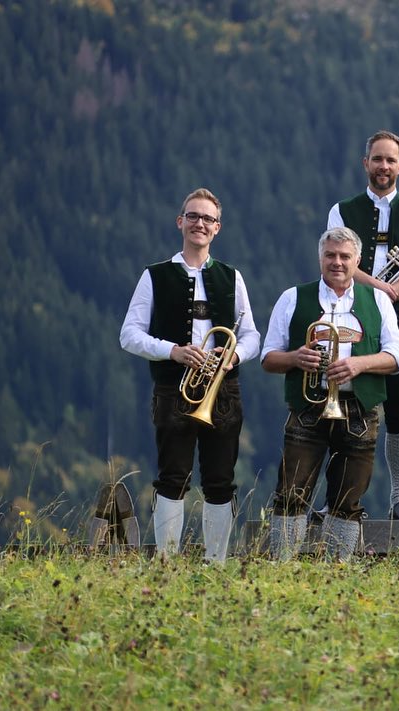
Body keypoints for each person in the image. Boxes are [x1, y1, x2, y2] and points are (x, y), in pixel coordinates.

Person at [120, 187, 261, 564]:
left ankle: (216, 563)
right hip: (173, 387)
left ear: (218, 228)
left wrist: (233, 357)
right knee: (173, 477)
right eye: (193, 216)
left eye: (208, 219)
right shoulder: (154, 276)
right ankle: (166, 563)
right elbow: (129, 335)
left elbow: (252, 336)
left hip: (223, 390)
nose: (200, 224)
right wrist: (173, 351)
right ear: (180, 222)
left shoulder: (232, 277)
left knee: (220, 480)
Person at [261, 227, 399, 560]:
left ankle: (337, 571)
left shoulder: (378, 299)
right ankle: (282, 569)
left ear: (357, 261)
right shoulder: (293, 297)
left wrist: (359, 365)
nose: (337, 263)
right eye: (330, 256)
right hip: (307, 407)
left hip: (359, 410)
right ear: (320, 259)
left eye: (344, 257)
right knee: (290, 493)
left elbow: (398, 356)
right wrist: (296, 357)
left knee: (348, 499)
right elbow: (268, 357)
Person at [327, 130, 399, 521]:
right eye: (377, 159)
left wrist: (389, 295)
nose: (384, 167)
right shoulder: (343, 210)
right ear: (366, 163)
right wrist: (381, 289)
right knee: (344, 401)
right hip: (352, 314)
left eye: (391, 160)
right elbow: (340, 264)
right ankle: (337, 498)